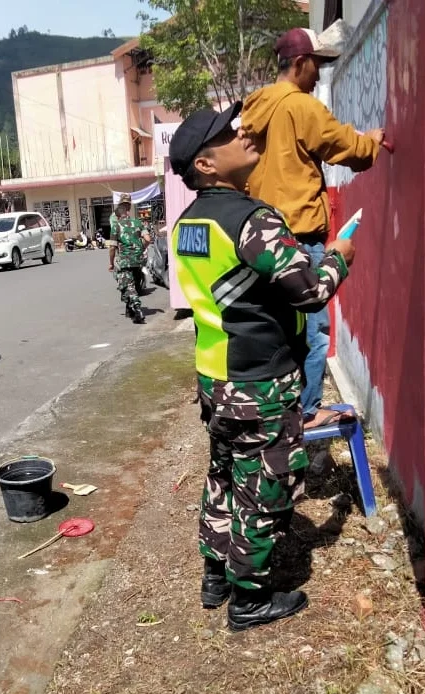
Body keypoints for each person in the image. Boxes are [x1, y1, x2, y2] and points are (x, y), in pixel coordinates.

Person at [169, 102, 356, 631]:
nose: (243, 134)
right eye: (228, 135)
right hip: (259, 381)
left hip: (216, 376)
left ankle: (215, 574)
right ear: (205, 164)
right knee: (266, 487)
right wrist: (340, 256)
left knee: (225, 474)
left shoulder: (188, 224)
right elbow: (310, 293)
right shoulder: (251, 220)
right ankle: (249, 598)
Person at [242, 27, 384, 429]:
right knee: (316, 329)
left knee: (281, 328)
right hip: (301, 238)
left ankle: (284, 406)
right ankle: (306, 412)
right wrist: (372, 141)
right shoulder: (300, 106)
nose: (319, 75)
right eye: (316, 65)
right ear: (300, 63)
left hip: (262, 237)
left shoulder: (256, 108)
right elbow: (348, 149)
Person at [107, 194, 151, 324]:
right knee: (133, 284)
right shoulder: (138, 222)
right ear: (128, 208)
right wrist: (140, 249)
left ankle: (137, 310)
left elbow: (112, 247)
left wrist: (111, 263)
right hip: (138, 260)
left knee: (127, 285)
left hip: (125, 261)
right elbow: (148, 239)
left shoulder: (116, 225)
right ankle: (129, 308)